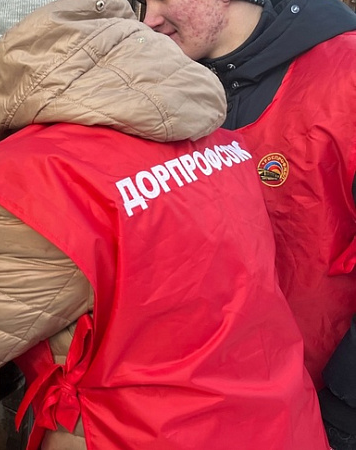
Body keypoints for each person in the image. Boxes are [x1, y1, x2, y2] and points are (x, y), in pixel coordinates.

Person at [0, 0, 329, 447]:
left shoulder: (36, 176)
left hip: (136, 433)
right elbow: (127, 266)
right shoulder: (211, 133)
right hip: (278, 420)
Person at [141, 0, 356, 446]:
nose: (149, 18)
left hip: (319, 402)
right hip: (197, 403)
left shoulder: (345, 74)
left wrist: (342, 410)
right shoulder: (152, 81)